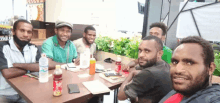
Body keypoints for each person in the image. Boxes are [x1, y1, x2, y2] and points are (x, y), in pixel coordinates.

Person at [159, 36, 220, 103]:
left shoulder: (214, 99)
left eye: (189, 63)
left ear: (210, 69)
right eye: (175, 62)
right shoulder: (180, 91)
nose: (178, 70)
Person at [118, 36, 172, 103]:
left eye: (147, 51)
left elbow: (121, 96)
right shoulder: (165, 65)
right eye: (140, 50)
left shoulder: (149, 73)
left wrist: (131, 74)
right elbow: (138, 67)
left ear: (159, 53)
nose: (141, 55)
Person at [0, 19, 41, 103]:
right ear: (13, 31)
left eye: (29, 32)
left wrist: (16, 65)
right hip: (5, 93)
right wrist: (31, 68)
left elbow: (41, 67)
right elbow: (7, 73)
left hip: (26, 92)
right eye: (22, 31)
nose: (26, 35)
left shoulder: (34, 48)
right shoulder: (2, 47)